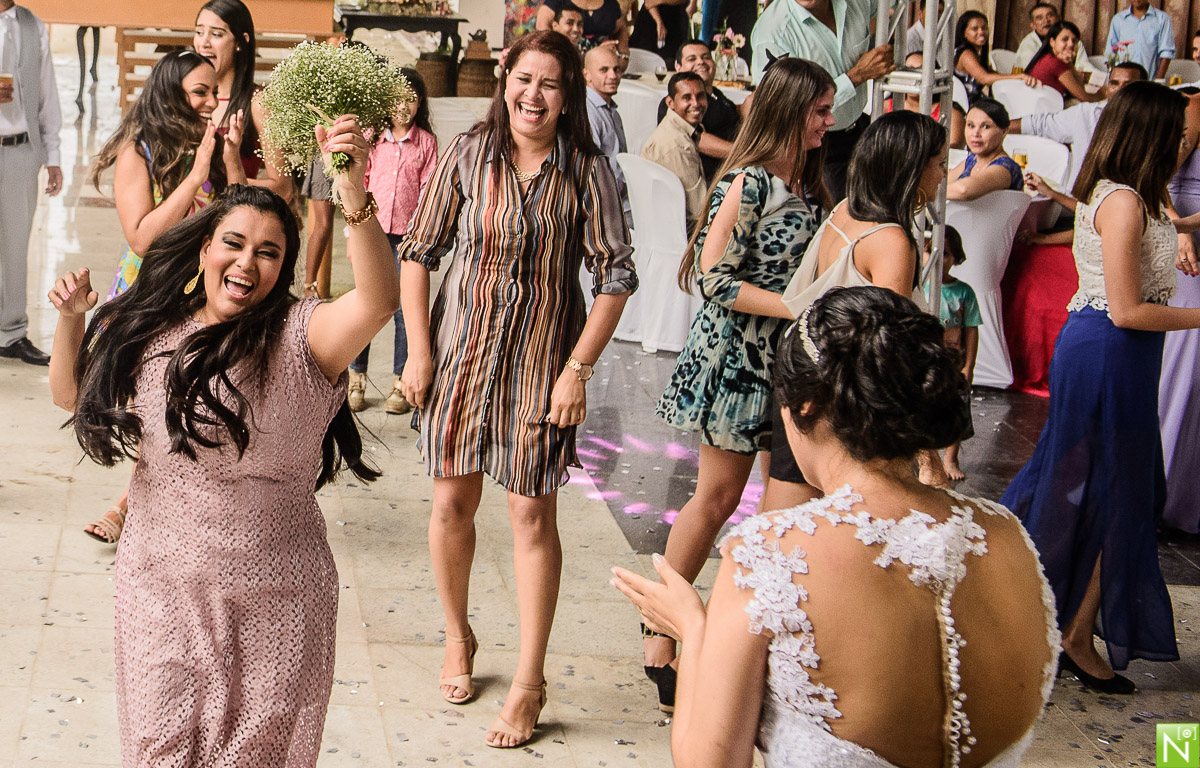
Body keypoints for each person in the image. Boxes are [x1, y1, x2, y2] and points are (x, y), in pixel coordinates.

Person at [46, 118, 400, 764]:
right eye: (233, 243)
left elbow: (377, 303)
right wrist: (72, 323)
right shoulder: (153, 330)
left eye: (268, 252)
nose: (246, 263)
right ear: (205, 247)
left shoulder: (303, 338)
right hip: (162, 589)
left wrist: (352, 193)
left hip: (279, 598)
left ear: (283, 267)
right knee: (159, 751)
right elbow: (72, 395)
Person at [614, 286, 1060, 768]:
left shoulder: (769, 553)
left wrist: (693, 627)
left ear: (804, 406)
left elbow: (709, 763)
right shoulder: (1008, 536)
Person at [396, 30, 636, 750]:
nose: (533, 95)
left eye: (550, 84)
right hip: (461, 357)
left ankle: (530, 680)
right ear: (505, 83)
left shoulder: (587, 170)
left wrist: (577, 370)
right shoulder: (469, 153)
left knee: (532, 515)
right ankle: (458, 635)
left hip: (540, 365)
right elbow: (418, 253)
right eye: (523, 79)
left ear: (567, 97)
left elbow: (616, 277)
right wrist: (419, 352)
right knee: (451, 504)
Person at [649, 56, 835, 713]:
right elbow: (713, 279)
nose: (829, 121)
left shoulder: (811, 182)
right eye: (819, 111)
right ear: (790, 111)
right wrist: (794, 305)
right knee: (717, 498)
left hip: (790, 363)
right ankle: (660, 633)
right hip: (738, 360)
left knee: (783, 509)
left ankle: (749, 643)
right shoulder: (749, 182)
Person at [1001, 82, 1200, 693]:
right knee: (1096, 490)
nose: (1185, 144)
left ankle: (1065, 626)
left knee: (1119, 492)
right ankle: (1055, 627)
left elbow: (1168, 229)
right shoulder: (1123, 201)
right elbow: (1127, 310)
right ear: (1149, 134)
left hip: (1124, 357)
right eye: (1177, 133)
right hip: (1108, 351)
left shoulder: (1139, 193)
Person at [80, 51, 240, 545]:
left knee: (194, 402)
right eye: (200, 93)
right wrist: (195, 176)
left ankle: (138, 504)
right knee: (150, 404)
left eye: (214, 92)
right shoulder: (140, 151)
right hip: (152, 292)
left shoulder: (209, 142)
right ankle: (134, 502)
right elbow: (142, 238)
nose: (211, 102)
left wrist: (229, 160)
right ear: (171, 94)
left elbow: (240, 215)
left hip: (204, 292)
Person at [768, 109, 949, 505]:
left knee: (781, 517)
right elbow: (889, 355)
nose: (943, 175)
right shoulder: (891, 241)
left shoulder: (846, 209)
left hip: (805, 376)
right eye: (939, 164)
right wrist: (928, 456)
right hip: (841, 405)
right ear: (912, 169)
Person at [348, 68, 438, 415]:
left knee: (404, 310)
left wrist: (421, 235)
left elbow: (429, 190)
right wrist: (352, 234)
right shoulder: (372, 140)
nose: (404, 106)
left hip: (407, 238)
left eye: (411, 99)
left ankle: (400, 381)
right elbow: (359, 182)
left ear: (420, 103)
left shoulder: (426, 143)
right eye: (398, 98)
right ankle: (356, 376)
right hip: (371, 233)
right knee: (367, 302)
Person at [750, 0, 895, 201]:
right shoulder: (773, 30)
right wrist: (856, 76)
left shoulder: (856, 3)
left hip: (860, 129)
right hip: (814, 146)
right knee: (841, 214)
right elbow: (782, 108)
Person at [0, 0, 62, 367]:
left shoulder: (31, 25)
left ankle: (11, 333)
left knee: (14, 244)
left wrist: (52, 155)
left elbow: (46, 93)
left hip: (20, 150)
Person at [193, 0, 291, 199]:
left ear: (240, 42)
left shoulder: (259, 102)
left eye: (216, 34)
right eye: (199, 32)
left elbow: (284, 189)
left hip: (233, 212)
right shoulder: (186, 94)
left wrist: (217, 181)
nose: (204, 42)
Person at [1158, 88, 1200, 534]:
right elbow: (1154, 173)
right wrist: (1179, 228)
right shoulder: (1194, 106)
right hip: (1189, 258)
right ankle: (1165, 496)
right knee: (1186, 368)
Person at [1009, 61, 1147, 190]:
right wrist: (1000, 127)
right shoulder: (1087, 114)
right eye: (1114, 84)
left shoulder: (1151, 126)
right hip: (1080, 200)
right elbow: (1038, 124)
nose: (1119, 90)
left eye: (1128, 85)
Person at [656, 39, 740, 182]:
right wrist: (748, 154)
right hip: (701, 183)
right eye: (692, 59)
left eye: (706, 57)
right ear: (678, 68)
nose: (701, 62)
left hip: (732, 171)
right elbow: (697, 140)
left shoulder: (717, 96)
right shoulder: (675, 103)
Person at [934, 226, 980, 482]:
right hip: (926, 362)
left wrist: (968, 366)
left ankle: (950, 458)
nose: (939, 259)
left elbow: (971, 330)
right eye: (931, 251)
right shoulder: (919, 287)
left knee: (956, 407)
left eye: (946, 254)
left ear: (956, 258)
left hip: (953, 364)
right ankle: (927, 458)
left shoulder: (964, 292)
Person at [642, 71, 708, 229]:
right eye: (687, 98)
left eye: (700, 96)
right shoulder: (677, 145)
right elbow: (698, 212)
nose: (696, 103)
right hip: (679, 231)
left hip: (665, 224)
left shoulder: (677, 128)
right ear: (670, 103)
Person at [583, 45, 631, 222]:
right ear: (587, 74)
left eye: (617, 69)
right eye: (604, 70)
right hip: (605, 210)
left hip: (621, 201)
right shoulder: (587, 112)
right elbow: (589, 171)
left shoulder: (610, 109)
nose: (613, 76)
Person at [954, 11, 1038, 105]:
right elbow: (984, 78)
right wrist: (1020, 77)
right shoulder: (966, 54)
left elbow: (992, 74)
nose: (981, 32)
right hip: (965, 106)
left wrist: (1016, 79)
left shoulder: (976, 54)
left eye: (984, 28)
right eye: (975, 29)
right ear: (964, 33)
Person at [947, 99, 1025, 200]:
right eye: (971, 125)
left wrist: (929, 192)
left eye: (986, 127)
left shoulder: (1004, 168)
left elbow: (964, 190)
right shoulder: (972, 160)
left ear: (1004, 132)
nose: (975, 133)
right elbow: (942, 182)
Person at [1014, 2, 1101, 77]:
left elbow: (1084, 66)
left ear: (1059, 18)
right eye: (1039, 18)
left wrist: (1100, 77)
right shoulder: (1029, 44)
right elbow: (1035, 73)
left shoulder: (1072, 41)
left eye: (1050, 16)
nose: (1046, 21)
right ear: (1032, 25)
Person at [1027, 21, 1103, 103]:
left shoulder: (1049, 58)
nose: (1071, 44)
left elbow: (1080, 90)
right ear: (1052, 42)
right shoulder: (1055, 63)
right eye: (1065, 39)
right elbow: (1084, 98)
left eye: (1074, 41)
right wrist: (1104, 94)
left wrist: (1070, 64)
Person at [1106, 0, 1174, 81]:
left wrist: (1158, 81)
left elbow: (1166, 53)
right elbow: (1110, 53)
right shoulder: (1118, 19)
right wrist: (1115, 79)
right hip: (1123, 82)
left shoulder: (1162, 19)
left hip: (1149, 82)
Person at [536, 0, 629, 53]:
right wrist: (559, 53)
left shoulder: (611, 4)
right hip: (566, 63)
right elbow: (542, 27)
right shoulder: (556, 1)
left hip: (602, 67)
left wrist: (622, 57)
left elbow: (621, 29)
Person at [629, 0, 691, 66]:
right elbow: (649, 3)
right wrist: (659, 22)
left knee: (672, 60)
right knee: (643, 58)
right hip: (652, 20)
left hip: (676, 19)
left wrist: (660, 1)